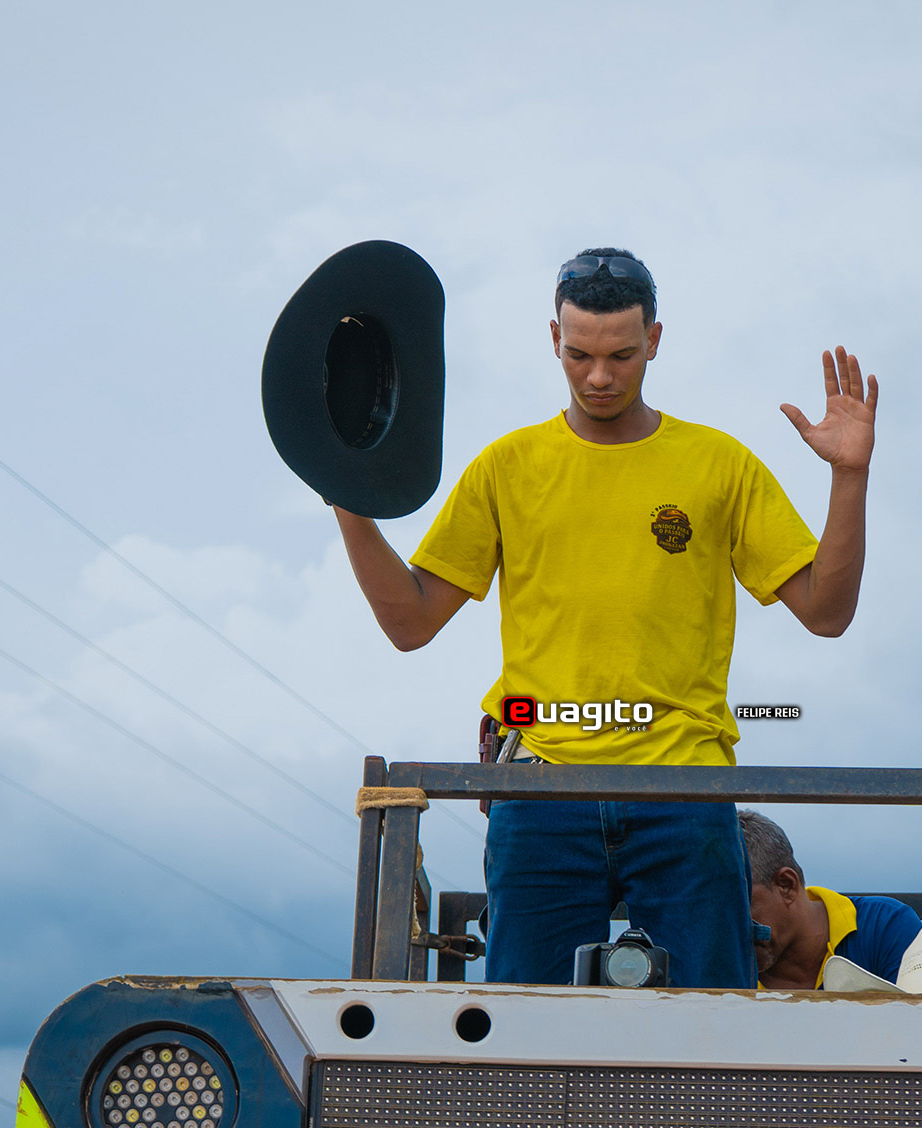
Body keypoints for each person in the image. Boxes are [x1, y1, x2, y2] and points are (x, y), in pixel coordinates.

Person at [331, 248, 878, 986]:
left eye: (621, 355)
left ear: (654, 340)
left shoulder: (719, 464)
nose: (598, 376)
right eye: (579, 354)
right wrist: (347, 498)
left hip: (685, 785)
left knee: (709, 1017)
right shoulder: (507, 466)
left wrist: (849, 476)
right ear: (554, 339)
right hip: (541, 787)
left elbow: (827, 612)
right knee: (526, 1021)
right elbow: (410, 622)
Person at [739, 809, 922, 989]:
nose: (729, 928)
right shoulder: (727, 967)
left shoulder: (885, 927)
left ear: (786, 885)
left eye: (739, 908)